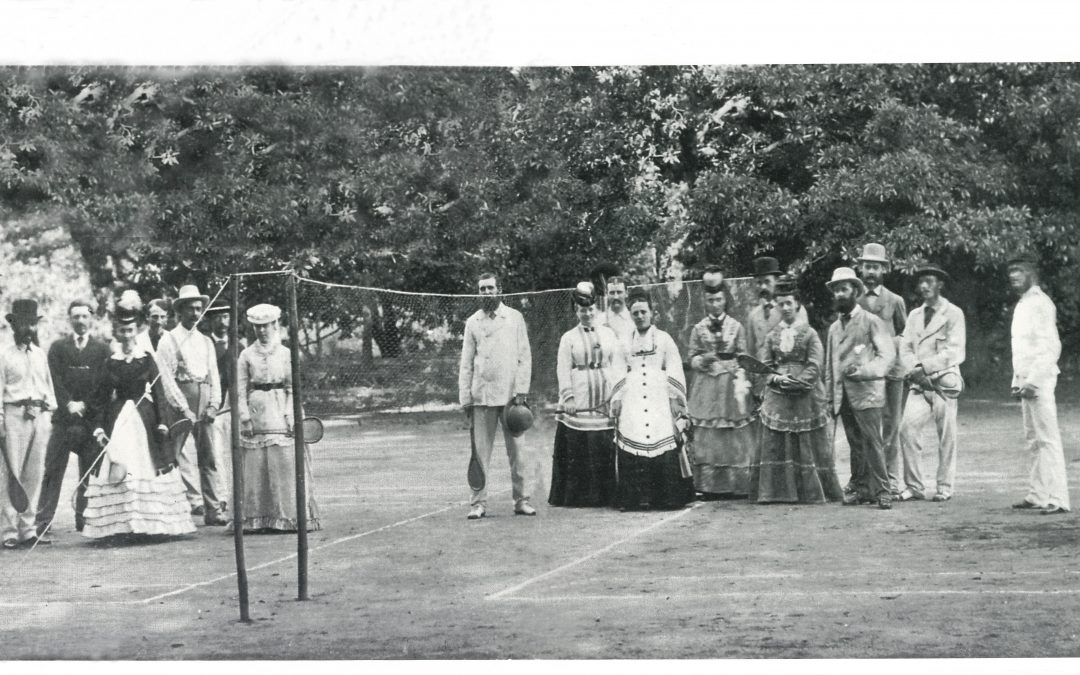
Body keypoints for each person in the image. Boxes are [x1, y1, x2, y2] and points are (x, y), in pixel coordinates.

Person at [82, 296, 195, 539]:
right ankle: (121, 526)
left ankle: (153, 525)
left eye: (130, 330)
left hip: (145, 416)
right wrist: (99, 428)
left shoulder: (146, 357)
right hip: (119, 417)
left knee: (149, 463)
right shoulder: (110, 362)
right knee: (120, 461)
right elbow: (100, 399)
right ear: (117, 332)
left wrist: (163, 421)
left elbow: (159, 393)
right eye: (122, 331)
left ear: (137, 330)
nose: (126, 335)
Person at [750, 277, 843, 503]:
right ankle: (777, 492)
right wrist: (775, 379)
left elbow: (815, 363)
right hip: (779, 393)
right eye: (781, 304)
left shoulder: (809, 333)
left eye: (789, 303)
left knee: (807, 440)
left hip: (805, 394)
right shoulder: (772, 336)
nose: (785, 308)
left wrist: (800, 381)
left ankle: (809, 492)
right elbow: (764, 365)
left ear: (797, 304)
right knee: (775, 441)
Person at [236, 304, 320, 532]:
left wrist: (291, 417)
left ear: (275, 325)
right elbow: (240, 390)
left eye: (266, 326)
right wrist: (245, 419)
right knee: (257, 467)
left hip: (281, 411)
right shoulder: (245, 355)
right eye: (257, 327)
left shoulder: (286, 354)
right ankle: (259, 520)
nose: (262, 331)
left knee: (284, 463)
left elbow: (294, 388)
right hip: (256, 414)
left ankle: (288, 519)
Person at [458, 273, 535, 520]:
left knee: (518, 452)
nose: (487, 292)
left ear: (499, 290)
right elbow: (466, 363)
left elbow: (525, 357)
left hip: (512, 398)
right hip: (481, 397)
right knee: (479, 454)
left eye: (490, 288)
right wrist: (465, 398)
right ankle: (478, 504)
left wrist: (521, 391)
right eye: (482, 289)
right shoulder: (472, 322)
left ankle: (522, 500)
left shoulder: (514, 318)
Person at [610, 292, 695, 510]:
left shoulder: (665, 338)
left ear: (652, 313)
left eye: (643, 312)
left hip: (658, 394)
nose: (639, 316)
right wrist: (617, 398)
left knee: (660, 436)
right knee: (633, 436)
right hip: (633, 396)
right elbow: (618, 367)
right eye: (635, 313)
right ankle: (634, 499)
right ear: (630, 315)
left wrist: (675, 399)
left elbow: (674, 366)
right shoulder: (623, 340)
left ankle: (666, 498)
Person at [35, 300, 111, 539]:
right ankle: (43, 522)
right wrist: (68, 403)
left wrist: (85, 405)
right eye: (75, 316)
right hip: (63, 419)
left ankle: (84, 519)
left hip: (89, 420)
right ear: (70, 319)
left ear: (91, 319)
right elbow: (53, 379)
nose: (80, 321)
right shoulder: (57, 348)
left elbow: (103, 384)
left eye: (84, 316)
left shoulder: (102, 350)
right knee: (52, 470)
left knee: (89, 470)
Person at [823, 267, 896, 510]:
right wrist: (828, 396)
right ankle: (861, 487)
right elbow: (830, 365)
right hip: (843, 395)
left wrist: (863, 371)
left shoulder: (871, 321)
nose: (840, 295)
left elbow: (887, 357)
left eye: (844, 289)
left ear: (855, 290)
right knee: (855, 443)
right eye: (836, 291)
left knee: (873, 441)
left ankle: (884, 490)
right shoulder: (834, 328)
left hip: (867, 392)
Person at [156, 285, 227, 525]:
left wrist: (214, 404)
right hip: (180, 403)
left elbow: (213, 375)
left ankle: (213, 509)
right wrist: (182, 407)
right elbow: (165, 378)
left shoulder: (206, 341)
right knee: (171, 458)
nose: (195, 314)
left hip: (204, 400)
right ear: (180, 311)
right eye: (190, 309)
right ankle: (172, 513)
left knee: (208, 458)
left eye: (199, 309)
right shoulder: (168, 340)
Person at [548, 282, 624, 507]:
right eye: (583, 310)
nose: (588, 313)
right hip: (580, 398)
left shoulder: (609, 334)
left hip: (604, 398)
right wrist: (568, 397)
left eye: (591, 309)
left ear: (596, 309)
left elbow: (617, 364)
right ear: (576, 311)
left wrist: (617, 394)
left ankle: (605, 495)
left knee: (604, 447)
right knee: (580, 448)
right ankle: (579, 497)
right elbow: (562, 368)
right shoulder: (568, 338)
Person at [897, 265, 966, 502]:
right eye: (921, 282)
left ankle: (945, 486)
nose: (924, 286)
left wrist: (925, 368)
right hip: (918, 383)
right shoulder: (915, 315)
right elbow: (904, 347)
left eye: (929, 281)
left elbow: (955, 351)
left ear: (940, 284)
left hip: (943, 382)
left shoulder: (953, 313)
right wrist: (914, 370)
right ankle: (914, 486)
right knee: (907, 428)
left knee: (946, 434)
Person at [686, 267, 757, 498]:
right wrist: (701, 360)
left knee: (733, 435)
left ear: (725, 299)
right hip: (706, 386)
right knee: (708, 435)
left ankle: (737, 486)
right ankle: (709, 486)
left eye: (718, 299)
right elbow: (692, 356)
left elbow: (743, 356)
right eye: (710, 300)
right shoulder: (698, 328)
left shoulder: (737, 327)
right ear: (705, 302)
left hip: (730, 386)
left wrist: (737, 370)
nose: (715, 304)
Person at [1007, 253, 1069, 515]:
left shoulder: (1041, 303)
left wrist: (1033, 380)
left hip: (1040, 381)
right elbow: (1022, 348)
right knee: (1032, 439)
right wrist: (1017, 380)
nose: (1013, 276)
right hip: (1026, 381)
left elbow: (1050, 346)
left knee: (1048, 439)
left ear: (1032, 272)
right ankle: (1037, 493)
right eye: (1011, 271)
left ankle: (1058, 498)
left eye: (1019, 270)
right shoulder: (1023, 303)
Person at [0, 300, 58, 549]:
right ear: (13, 326)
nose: (27, 328)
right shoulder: (3, 355)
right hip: (14, 415)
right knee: (11, 474)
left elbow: (49, 388)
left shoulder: (40, 355)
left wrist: (49, 412)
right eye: (23, 323)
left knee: (34, 474)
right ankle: (9, 531)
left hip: (40, 415)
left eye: (31, 323)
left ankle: (28, 529)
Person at [855, 243, 909, 497]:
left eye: (875, 267)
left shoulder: (895, 301)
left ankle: (892, 479)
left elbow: (903, 334)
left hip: (890, 373)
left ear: (884, 269)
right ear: (860, 268)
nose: (870, 272)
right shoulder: (854, 300)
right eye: (867, 266)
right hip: (864, 375)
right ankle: (867, 482)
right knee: (866, 429)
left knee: (891, 426)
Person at [745, 257, 809, 366]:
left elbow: (805, 345)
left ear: (776, 281)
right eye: (759, 283)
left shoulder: (794, 310)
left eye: (767, 281)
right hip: (762, 376)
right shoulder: (753, 315)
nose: (763, 287)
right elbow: (751, 352)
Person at [203, 302, 238, 503]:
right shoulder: (205, 345)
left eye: (225, 317)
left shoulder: (238, 346)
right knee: (214, 455)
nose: (222, 322)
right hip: (212, 409)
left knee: (234, 454)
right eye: (217, 317)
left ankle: (234, 497)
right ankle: (220, 498)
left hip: (233, 409)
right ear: (209, 320)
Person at [600, 276, 635, 349]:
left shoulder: (634, 318)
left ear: (626, 293)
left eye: (619, 292)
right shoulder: (599, 320)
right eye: (612, 293)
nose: (616, 297)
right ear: (607, 294)